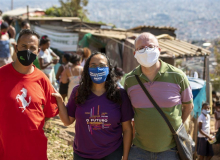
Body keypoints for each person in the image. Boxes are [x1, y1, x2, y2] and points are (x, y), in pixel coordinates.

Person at [125, 32, 194, 160]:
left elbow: (188, 106)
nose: (146, 51)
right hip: (139, 150)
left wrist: (176, 128)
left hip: (171, 150)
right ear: (135, 53)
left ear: (159, 50)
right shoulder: (129, 80)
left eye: (150, 47)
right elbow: (128, 114)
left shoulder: (177, 76)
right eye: (141, 48)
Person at [52, 52, 134, 160]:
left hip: (111, 153)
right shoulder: (78, 91)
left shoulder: (120, 94)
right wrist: (60, 101)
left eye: (101, 65)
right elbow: (67, 121)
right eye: (93, 66)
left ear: (108, 68)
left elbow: (127, 129)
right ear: (87, 69)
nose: (97, 69)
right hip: (82, 154)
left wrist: (126, 156)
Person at [0, 29, 58, 160]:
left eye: (32, 48)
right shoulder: (1, 76)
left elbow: (50, 112)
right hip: (6, 151)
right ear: (16, 47)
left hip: (35, 152)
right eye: (24, 46)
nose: (28, 51)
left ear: (38, 51)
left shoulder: (42, 79)